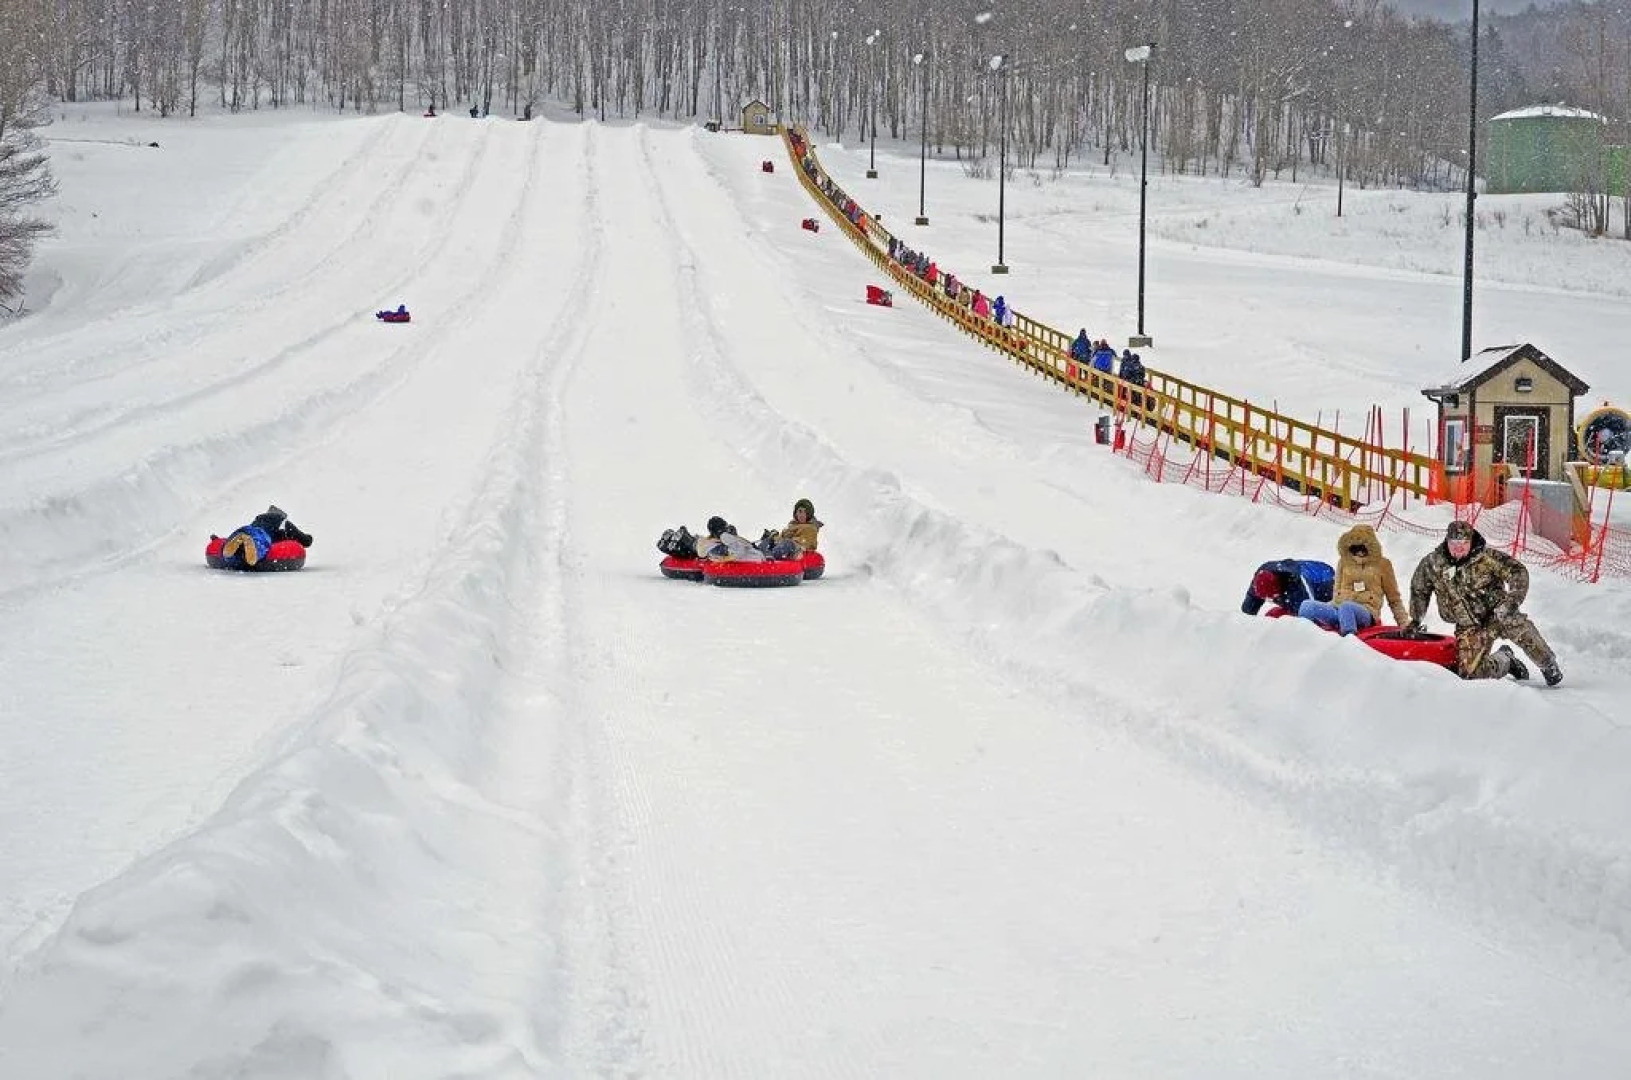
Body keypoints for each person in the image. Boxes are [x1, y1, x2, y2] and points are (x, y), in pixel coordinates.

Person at [1408, 520, 1563, 685]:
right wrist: (1416, 619)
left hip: (1497, 614)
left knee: (1516, 624)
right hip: (1468, 626)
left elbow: (1517, 571)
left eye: (1464, 543)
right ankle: (1506, 660)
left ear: (1471, 541)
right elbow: (1419, 590)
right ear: (1447, 541)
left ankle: (1547, 663)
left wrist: (1512, 601)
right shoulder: (1432, 564)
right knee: (1469, 674)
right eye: (1454, 544)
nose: (1458, 548)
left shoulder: (1487, 558)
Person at [1298, 524, 1407, 636]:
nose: (1359, 551)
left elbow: (1395, 600)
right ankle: (1306, 638)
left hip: (1366, 612)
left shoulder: (1383, 564)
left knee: (1347, 607)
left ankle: (1350, 641)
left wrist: (1405, 625)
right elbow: (1337, 591)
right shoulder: (1343, 562)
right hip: (1338, 608)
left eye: (1363, 547)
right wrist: (1333, 605)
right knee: (1307, 605)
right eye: (1355, 547)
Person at [220, 505, 313, 568]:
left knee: (239, 547)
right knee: (261, 544)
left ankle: (229, 550)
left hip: (247, 529)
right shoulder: (282, 522)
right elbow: (304, 540)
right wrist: (309, 538)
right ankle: (253, 553)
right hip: (261, 534)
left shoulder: (258, 520)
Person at [1242, 557, 1335, 617]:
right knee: (1272, 617)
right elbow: (1247, 611)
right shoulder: (1259, 579)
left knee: (1303, 614)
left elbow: (1309, 614)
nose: (1270, 601)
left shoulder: (1297, 585)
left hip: (1324, 581)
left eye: (1273, 597)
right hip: (1290, 593)